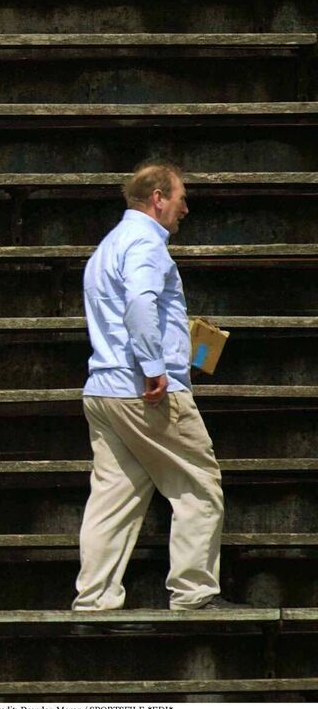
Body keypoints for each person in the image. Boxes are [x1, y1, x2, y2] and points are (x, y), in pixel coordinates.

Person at [74, 162, 243, 611]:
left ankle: (94, 599)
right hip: (143, 390)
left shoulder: (108, 247)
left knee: (115, 497)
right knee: (199, 482)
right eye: (181, 197)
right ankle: (194, 592)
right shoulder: (146, 243)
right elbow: (139, 303)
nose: (186, 207)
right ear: (158, 198)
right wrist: (154, 366)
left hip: (104, 389)